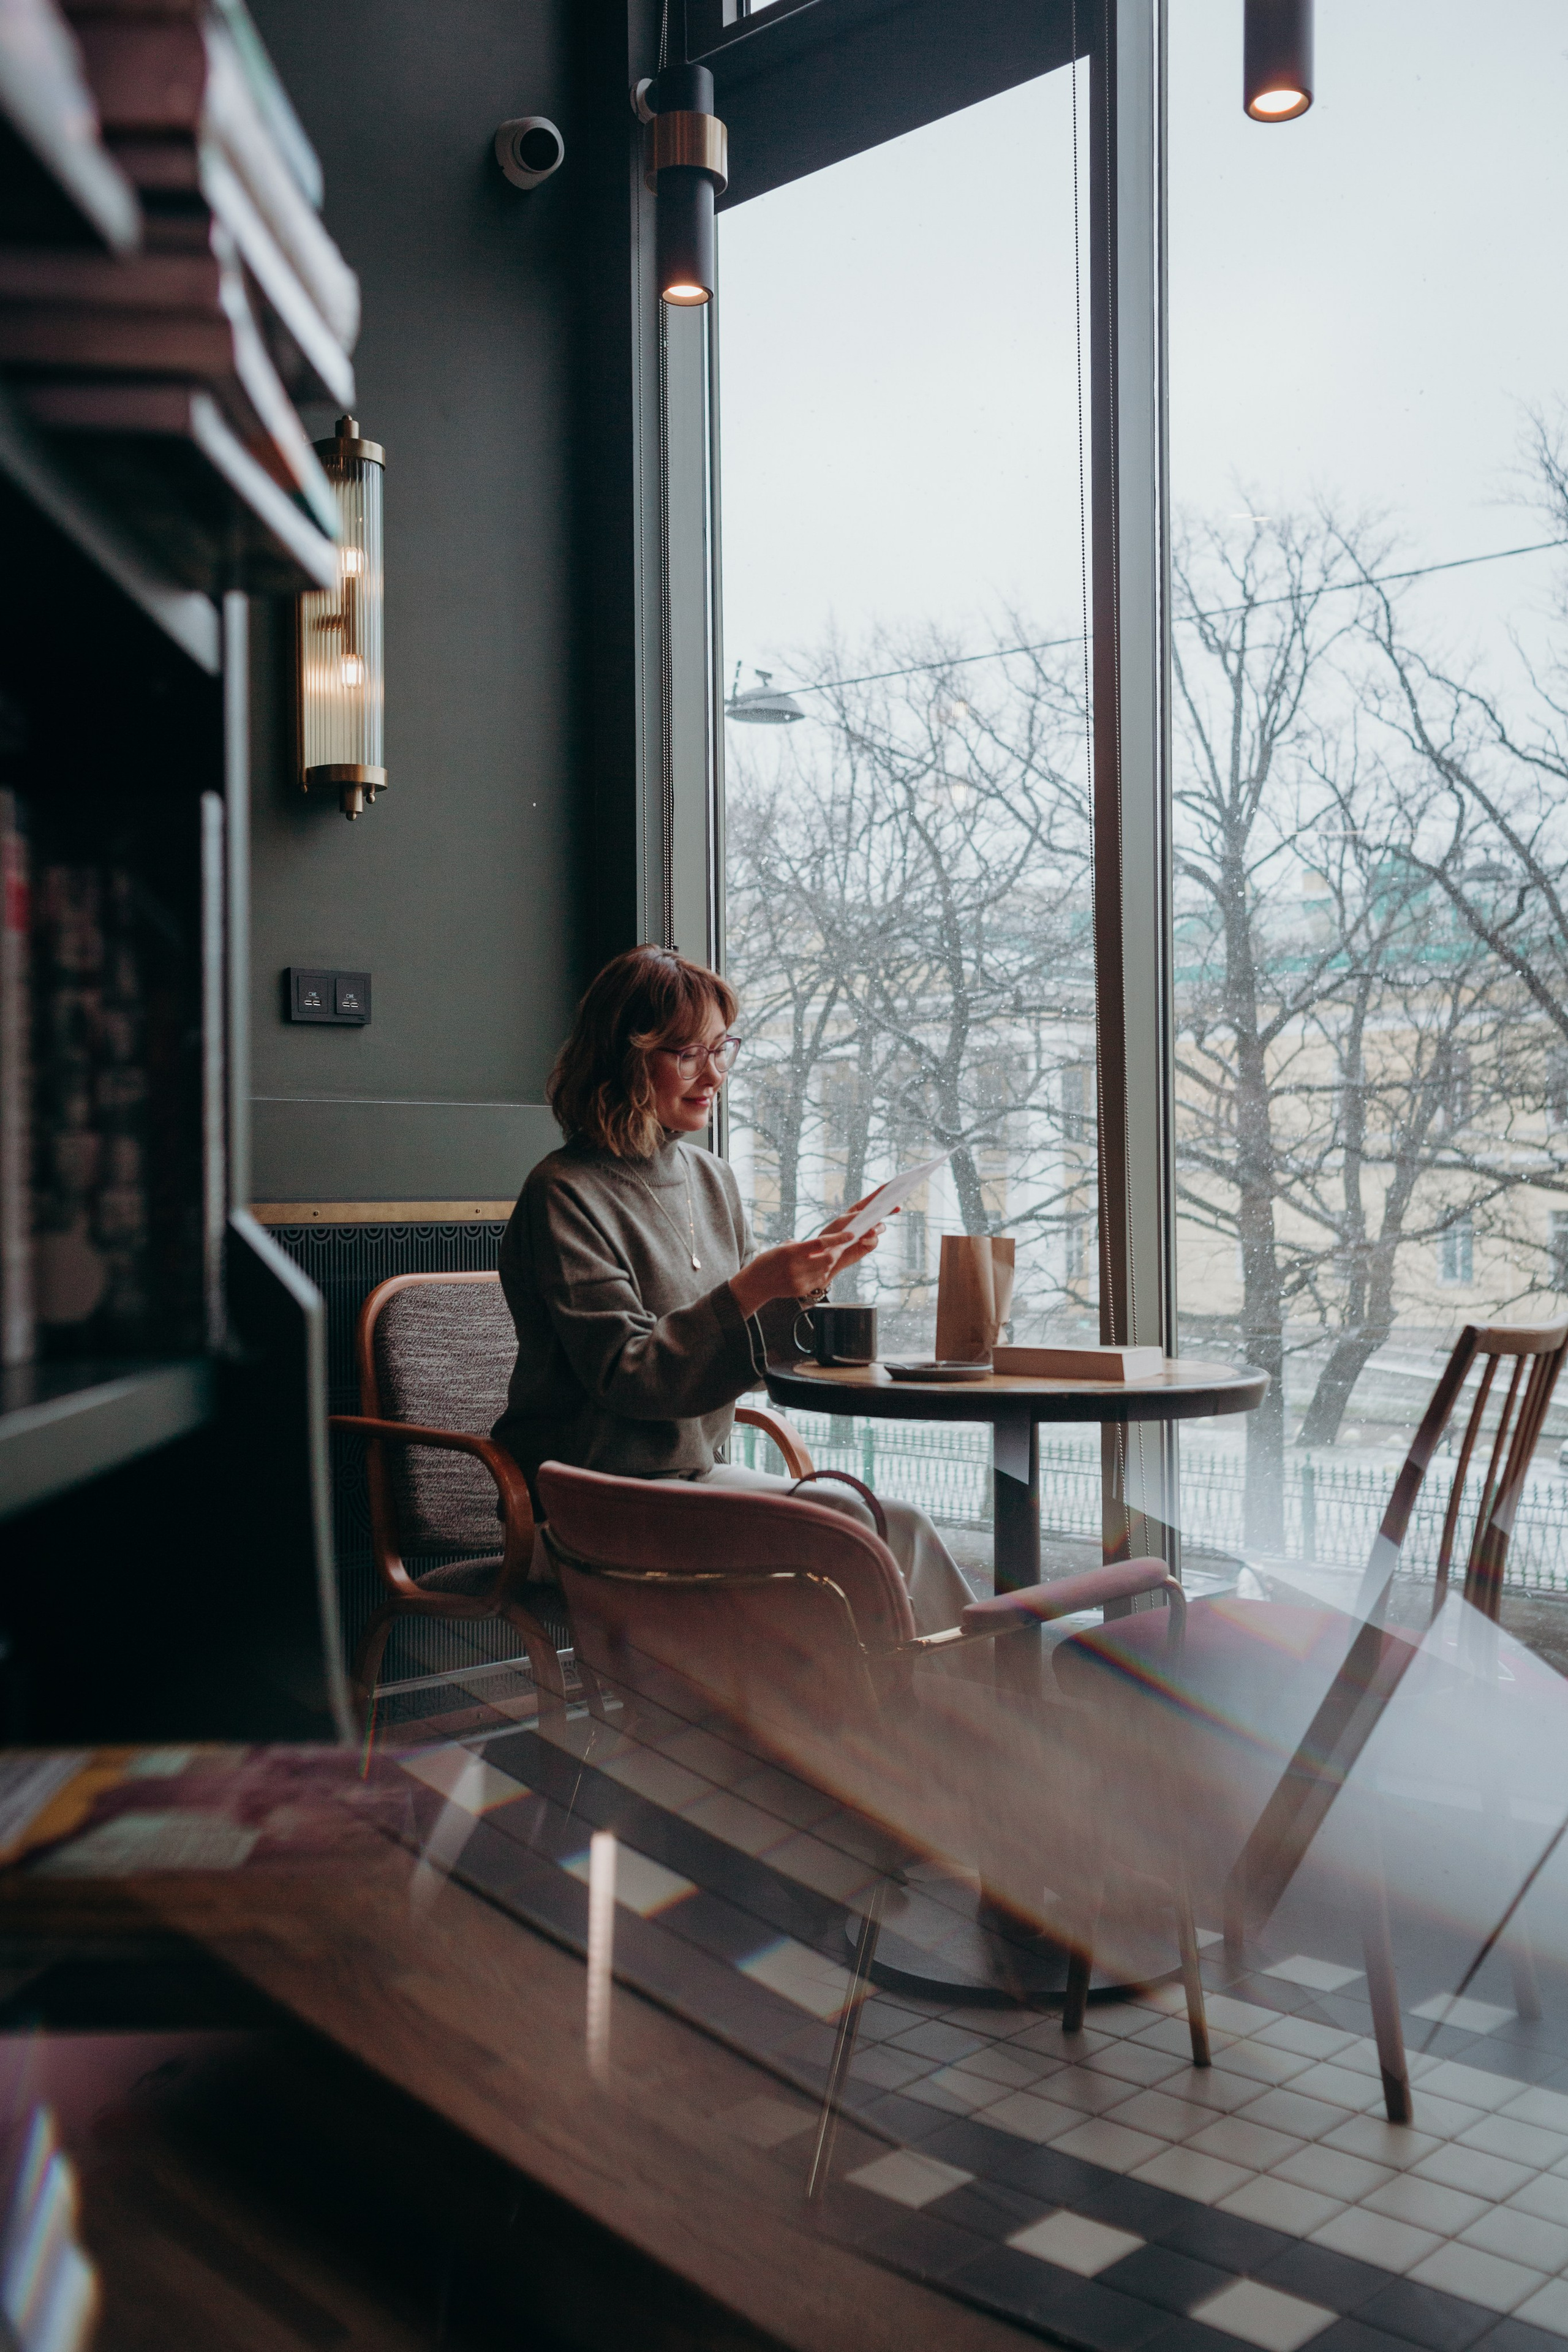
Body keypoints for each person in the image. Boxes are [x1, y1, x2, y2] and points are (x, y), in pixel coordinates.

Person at [493, 943, 976, 1636]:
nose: (714, 1074)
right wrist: (751, 1289)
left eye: (723, 1049)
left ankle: (976, 1717)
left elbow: (738, 1359)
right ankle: (893, 1729)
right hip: (588, 1505)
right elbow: (631, 1378)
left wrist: (808, 1279)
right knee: (841, 1544)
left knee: (895, 1526)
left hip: (693, 1482)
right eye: (687, 1054)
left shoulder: (710, 1180)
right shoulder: (563, 1193)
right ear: (625, 1057)